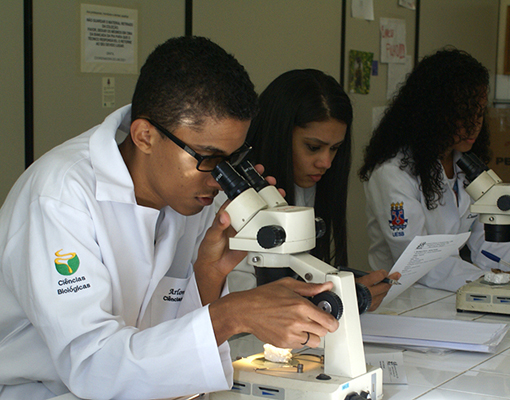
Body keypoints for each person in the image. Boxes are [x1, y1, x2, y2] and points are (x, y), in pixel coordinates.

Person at [0, 37, 340, 400]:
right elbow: (93, 365)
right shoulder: (60, 197)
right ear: (145, 136)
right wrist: (231, 314)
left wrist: (208, 277)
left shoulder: (191, 198)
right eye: (208, 157)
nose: (217, 178)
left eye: (232, 158)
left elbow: (165, 349)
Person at [359, 47, 510, 292]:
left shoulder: (463, 165)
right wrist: (505, 278)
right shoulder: (393, 173)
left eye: (479, 113)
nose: (474, 125)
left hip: (449, 293)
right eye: (463, 115)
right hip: (403, 297)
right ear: (432, 112)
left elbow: (487, 243)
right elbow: (420, 265)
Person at [225, 69, 399, 310]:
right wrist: (342, 300)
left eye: (335, 148)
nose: (326, 162)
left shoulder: (307, 185)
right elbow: (240, 299)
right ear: (279, 135)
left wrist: (345, 288)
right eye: (313, 147)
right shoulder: (234, 201)